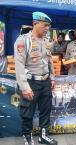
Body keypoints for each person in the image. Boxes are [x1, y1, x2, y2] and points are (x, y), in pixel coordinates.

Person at [14, 12, 58, 145]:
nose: (47, 29)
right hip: (30, 82)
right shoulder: (23, 40)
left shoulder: (45, 41)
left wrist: (52, 78)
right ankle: (27, 137)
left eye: (48, 26)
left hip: (45, 81)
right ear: (35, 24)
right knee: (27, 112)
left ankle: (43, 136)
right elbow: (19, 66)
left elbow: (49, 60)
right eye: (45, 25)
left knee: (46, 109)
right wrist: (25, 87)